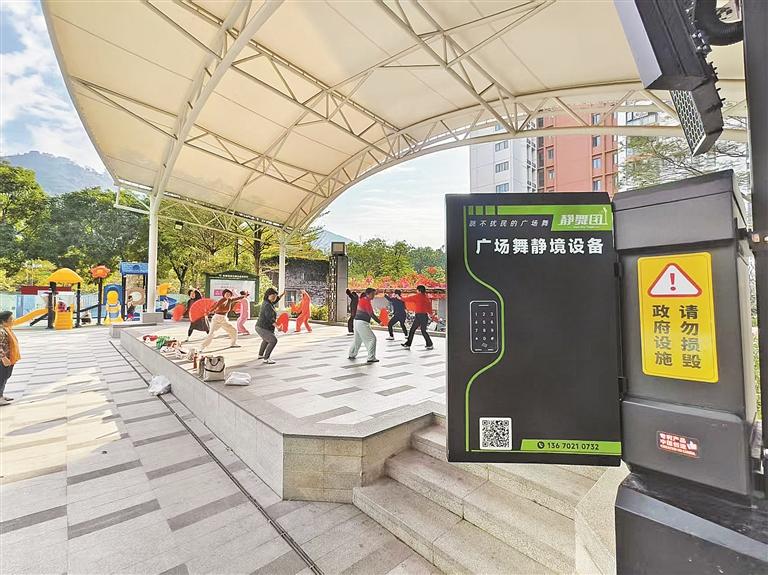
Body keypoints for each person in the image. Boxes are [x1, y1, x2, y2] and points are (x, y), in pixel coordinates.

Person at [348, 287, 381, 363]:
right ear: (368, 294)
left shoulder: (363, 300)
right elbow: (371, 314)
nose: (374, 296)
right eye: (372, 294)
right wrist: (380, 322)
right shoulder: (366, 301)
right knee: (372, 339)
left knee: (357, 340)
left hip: (356, 321)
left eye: (374, 294)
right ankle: (371, 357)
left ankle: (352, 354)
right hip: (362, 322)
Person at [255, 288, 284, 364]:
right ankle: (266, 358)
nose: (274, 297)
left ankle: (260, 355)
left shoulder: (269, 302)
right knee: (273, 340)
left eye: (275, 295)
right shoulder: (267, 305)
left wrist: (282, 294)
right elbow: (270, 318)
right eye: (273, 295)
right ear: (268, 295)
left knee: (266, 340)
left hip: (262, 326)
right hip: (262, 327)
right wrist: (277, 327)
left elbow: (276, 300)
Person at [402, 285, 434, 351]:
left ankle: (408, 344)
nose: (416, 291)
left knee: (412, 330)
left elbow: (407, 299)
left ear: (419, 290)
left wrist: (399, 297)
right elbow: (429, 308)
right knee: (423, 331)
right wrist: (431, 315)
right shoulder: (426, 298)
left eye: (417, 290)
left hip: (419, 316)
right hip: (424, 316)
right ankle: (429, 344)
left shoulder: (417, 296)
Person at [0, 311, 21, 406]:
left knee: (5, 377)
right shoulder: (1, 331)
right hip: (3, 359)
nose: (13, 320)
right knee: (1, 378)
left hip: (9, 358)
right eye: (11, 319)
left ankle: (1, 395)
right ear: (3, 321)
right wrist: (3, 357)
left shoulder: (7, 329)